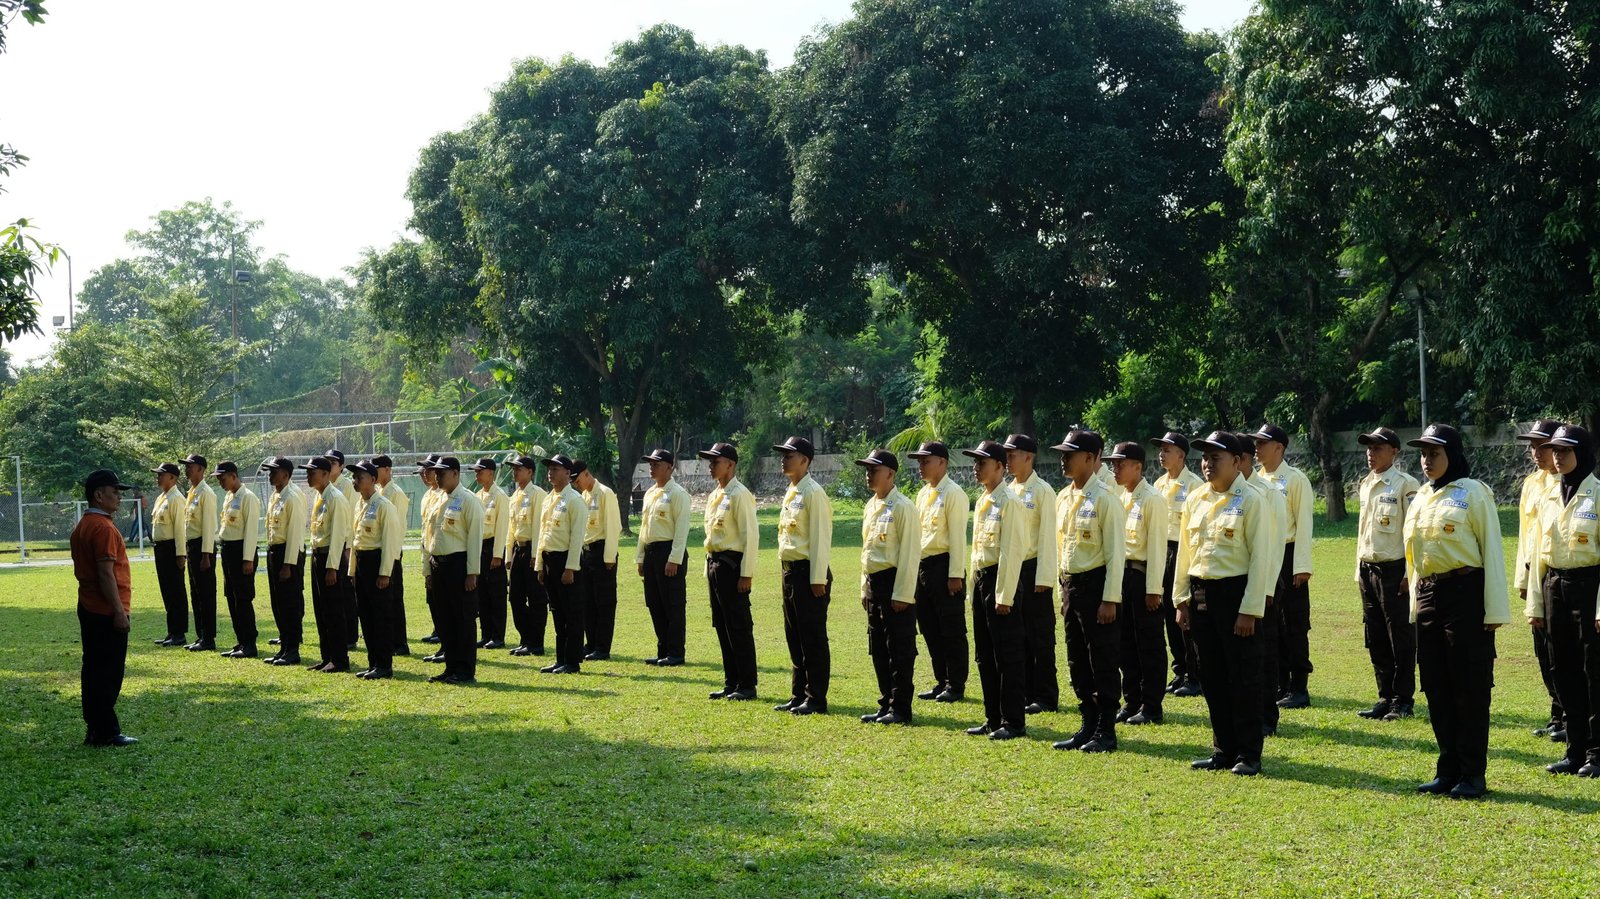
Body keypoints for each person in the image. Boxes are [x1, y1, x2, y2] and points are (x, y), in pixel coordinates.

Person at [1404, 424, 1508, 799]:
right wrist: (1416, 604)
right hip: (1429, 594)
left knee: (1468, 686)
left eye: (1435, 453)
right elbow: (1416, 557)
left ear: (1453, 455)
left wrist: (1493, 611)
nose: (1427, 460)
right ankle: (1447, 768)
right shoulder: (1420, 497)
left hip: (1466, 594)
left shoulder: (1474, 493)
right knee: (1435, 685)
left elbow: (1492, 552)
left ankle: (1472, 774)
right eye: (1423, 454)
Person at [1174, 431, 1276, 777]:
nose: (1207, 463)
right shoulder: (1196, 499)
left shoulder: (1252, 499)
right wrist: (1181, 599)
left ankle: (1248, 753)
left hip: (1237, 596)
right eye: (1204, 457)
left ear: (1237, 462)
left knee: (1243, 676)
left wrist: (1250, 609)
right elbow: (1185, 554)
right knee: (1212, 676)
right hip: (1202, 593)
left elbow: (1261, 558)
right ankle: (1223, 749)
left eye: (1216, 457)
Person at [1526, 424, 1600, 777]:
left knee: (1593, 671)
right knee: (1564, 669)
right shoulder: (1548, 497)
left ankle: (1597, 753)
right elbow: (1541, 554)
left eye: (1565, 450)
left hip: (1590, 587)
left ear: (1582, 453)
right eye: (1554, 450)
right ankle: (1575, 750)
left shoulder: (1597, 494)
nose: (1557, 456)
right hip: (1555, 584)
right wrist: (1536, 604)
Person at [1050, 430, 1127, 752]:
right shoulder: (1064, 497)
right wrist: (1061, 586)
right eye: (1063, 453)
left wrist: (1110, 599)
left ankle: (1106, 730)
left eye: (1072, 453)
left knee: (1102, 659)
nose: (1064, 459)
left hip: (1097, 587)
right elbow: (1061, 545)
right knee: (1077, 659)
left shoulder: (1106, 499)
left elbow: (1115, 554)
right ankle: (1087, 723)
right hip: (1072, 586)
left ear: (1093, 458)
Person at [962, 440, 1029, 740]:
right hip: (981, 581)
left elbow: (1012, 551)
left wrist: (1004, 595)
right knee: (985, 655)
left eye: (982, 463)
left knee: (1008, 656)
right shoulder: (983, 501)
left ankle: (1013, 721)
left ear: (1000, 467)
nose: (977, 468)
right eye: (976, 463)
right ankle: (993, 717)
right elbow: (978, 549)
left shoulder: (1009, 501)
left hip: (1001, 582)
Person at [1353, 427, 1420, 721]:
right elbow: (1363, 531)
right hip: (1369, 569)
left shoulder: (1405, 485)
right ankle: (1385, 696)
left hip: (1395, 571)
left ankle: (1402, 700)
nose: (1371, 453)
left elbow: (1412, 533)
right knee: (1376, 635)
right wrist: (1359, 569)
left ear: (1394, 451)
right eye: (1369, 448)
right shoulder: (1366, 484)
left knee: (1400, 638)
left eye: (1378, 448)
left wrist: (1410, 572)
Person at [1251, 424, 1315, 709]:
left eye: (1263, 443)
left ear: (1279, 447)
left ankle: (1299, 686)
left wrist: (1301, 566)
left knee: (1295, 623)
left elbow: (1304, 524)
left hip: (1290, 555)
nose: (1257, 448)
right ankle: (1280, 682)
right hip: (1268, 553)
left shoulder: (1295, 479)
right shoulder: (1257, 480)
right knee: (1271, 621)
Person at [72, 469, 137, 747]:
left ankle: (96, 726)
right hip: (105, 610)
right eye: (114, 492)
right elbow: (106, 574)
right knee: (108, 673)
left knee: (94, 669)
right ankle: (106, 730)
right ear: (98, 495)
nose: (119, 498)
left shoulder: (82, 526)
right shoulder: (103, 528)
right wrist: (119, 611)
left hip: (88, 606)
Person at [857, 448, 920, 725]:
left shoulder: (903, 507)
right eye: (867, 469)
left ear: (891, 474)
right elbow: (866, 551)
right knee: (879, 646)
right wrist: (864, 587)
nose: (869, 474)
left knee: (899, 648)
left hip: (895, 582)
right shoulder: (871, 505)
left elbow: (909, 554)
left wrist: (903, 594)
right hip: (875, 583)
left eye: (874, 469)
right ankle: (885, 702)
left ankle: (900, 707)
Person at [1107, 441, 1168, 726]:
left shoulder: (1152, 499)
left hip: (1143, 576)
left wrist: (1154, 589)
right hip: (1122, 576)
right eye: (1113, 463)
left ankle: (1151, 705)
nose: (1115, 468)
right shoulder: (1118, 497)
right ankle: (1131, 701)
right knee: (1124, 643)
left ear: (1138, 467)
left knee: (1149, 644)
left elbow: (1157, 547)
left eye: (1121, 464)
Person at [772, 435, 834, 716]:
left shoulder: (813, 493)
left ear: (805, 460)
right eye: (783, 455)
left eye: (789, 455)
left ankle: (816, 697)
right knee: (794, 636)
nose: (784, 459)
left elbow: (821, 538)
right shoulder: (793, 490)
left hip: (809, 573)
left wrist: (818, 578)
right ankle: (799, 694)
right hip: (790, 572)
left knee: (812, 638)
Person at [1514, 420, 1566, 739]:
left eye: (1542, 446)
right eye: (1532, 446)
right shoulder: (1532, 483)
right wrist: (1523, 578)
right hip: (1536, 576)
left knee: (1564, 648)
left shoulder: (1570, 484)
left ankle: (1570, 714)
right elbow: (1524, 534)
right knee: (1542, 647)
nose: (1536, 453)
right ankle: (1556, 712)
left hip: (1561, 575)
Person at [1001, 433, 1060, 716]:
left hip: (1035, 568)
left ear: (1028, 456)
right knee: (1018, 634)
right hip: (1014, 568)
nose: (1008, 460)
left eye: (1012, 455)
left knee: (1040, 636)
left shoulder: (1043, 491)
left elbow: (1049, 536)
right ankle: (1025, 691)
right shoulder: (1008, 490)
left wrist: (1044, 579)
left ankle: (1046, 694)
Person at [907, 441, 970, 704]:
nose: (921, 466)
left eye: (926, 460)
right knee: (930, 626)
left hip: (945, 566)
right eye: (919, 461)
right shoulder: (923, 494)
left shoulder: (953, 494)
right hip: (924, 566)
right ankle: (940, 679)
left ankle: (955, 683)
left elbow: (957, 538)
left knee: (951, 628)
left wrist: (955, 574)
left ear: (942, 463)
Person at [700, 442, 760, 700]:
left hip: (733, 566)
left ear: (731, 464)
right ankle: (731, 680)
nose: (711, 466)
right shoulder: (716, 495)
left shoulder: (739, 494)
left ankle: (747, 684)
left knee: (738, 626)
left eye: (716, 461)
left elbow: (751, 537)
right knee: (721, 625)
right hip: (715, 565)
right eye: (710, 462)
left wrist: (746, 574)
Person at [1238, 435, 1286, 738]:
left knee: (1263, 653)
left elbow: (1275, 545)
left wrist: (1266, 590)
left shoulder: (1268, 493)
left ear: (1240, 460)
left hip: (1262, 583)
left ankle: (1267, 715)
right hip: (1232, 583)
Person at [423, 456, 485, 685]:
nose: (437, 476)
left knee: (463, 620)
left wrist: (472, 573)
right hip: (439, 565)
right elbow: (430, 536)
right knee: (445, 619)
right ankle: (451, 667)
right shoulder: (439, 499)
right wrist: (428, 568)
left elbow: (475, 539)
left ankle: (465, 670)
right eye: (436, 473)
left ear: (456, 474)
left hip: (459, 566)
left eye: (442, 473)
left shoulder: (468, 500)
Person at [1150, 432, 1204, 697]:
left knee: (1185, 614)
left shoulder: (1194, 485)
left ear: (1181, 455)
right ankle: (1180, 670)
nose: (1161, 454)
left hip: (1183, 551)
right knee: (1167, 614)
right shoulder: (1158, 485)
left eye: (1167, 450)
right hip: (1161, 551)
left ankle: (1195, 675)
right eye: (1160, 449)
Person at [348, 460, 403, 680]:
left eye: (359, 477)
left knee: (381, 616)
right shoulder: (360, 504)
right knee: (366, 615)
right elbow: (356, 541)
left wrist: (384, 573)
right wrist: (352, 571)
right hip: (362, 562)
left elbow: (390, 541)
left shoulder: (384, 505)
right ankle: (373, 662)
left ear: (372, 479)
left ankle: (384, 664)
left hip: (376, 563)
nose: (355, 481)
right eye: (354, 477)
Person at [637, 448, 691, 667]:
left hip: (668, 552)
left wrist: (674, 559)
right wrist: (640, 557)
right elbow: (644, 528)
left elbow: (681, 529)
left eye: (656, 464)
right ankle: (663, 649)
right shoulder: (650, 493)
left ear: (670, 467)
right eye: (650, 464)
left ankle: (676, 652)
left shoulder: (678, 494)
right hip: (651, 552)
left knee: (673, 604)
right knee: (655, 603)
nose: (652, 467)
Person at [536, 453, 589, 674]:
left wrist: (570, 568)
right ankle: (561, 659)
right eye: (549, 468)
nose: (551, 472)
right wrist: (540, 564)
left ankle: (572, 661)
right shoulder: (549, 498)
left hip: (566, 561)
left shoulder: (575, 500)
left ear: (568, 473)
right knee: (557, 612)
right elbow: (543, 534)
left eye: (556, 469)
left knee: (572, 613)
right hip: (550, 560)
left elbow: (577, 538)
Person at [300, 455, 351, 673]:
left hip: (331, 558)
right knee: (321, 609)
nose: (308, 476)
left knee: (333, 610)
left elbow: (339, 536)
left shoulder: (335, 498)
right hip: (318, 556)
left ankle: (339, 659)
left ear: (324, 474)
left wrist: (332, 567)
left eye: (312, 472)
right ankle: (326, 656)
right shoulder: (320, 498)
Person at [260, 456, 307, 667]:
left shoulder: (292, 497)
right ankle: (284, 647)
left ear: (286, 474)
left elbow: (295, 533)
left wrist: (288, 564)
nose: (270, 475)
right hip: (274, 552)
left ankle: (292, 650)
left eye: (274, 471)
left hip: (288, 555)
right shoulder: (276, 496)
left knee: (290, 603)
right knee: (278, 603)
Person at [213, 460, 261, 659]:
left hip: (242, 552)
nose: (221, 483)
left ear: (233, 476)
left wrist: (247, 559)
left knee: (242, 599)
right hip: (228, 551)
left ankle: (250, 643)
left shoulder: (247, 498)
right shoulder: (228, 497)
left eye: (223, 478)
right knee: (231, 597)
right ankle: (241, 640)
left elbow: (251, 531)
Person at [575, 460, 622, 661]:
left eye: (577, 480)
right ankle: (591, 643)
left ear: (586, 474)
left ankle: (602, 647)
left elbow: (613, 526)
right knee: (588, 602)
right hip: (586, 552)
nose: (576, 485)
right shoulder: (584, 496)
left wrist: (610, 556)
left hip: (602, 551)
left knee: (604, 602)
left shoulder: (605, 493)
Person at [503, 455, 550, 657]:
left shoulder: (537, 494)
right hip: (518, 551)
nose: (515, 472)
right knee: (515, 597)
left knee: (537, 598)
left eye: (519, 469)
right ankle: (525, 638)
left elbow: (540, 526)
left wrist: (535, 555)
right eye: (514, 469)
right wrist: (508, 554)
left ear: (530, 472)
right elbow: (511, 528)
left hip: (532, 550)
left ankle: (536, 642)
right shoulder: (514, 496)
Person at [468, 457, 510, 651]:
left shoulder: (500, 496)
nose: (477, 475)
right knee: (482, 594)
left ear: (491, 474)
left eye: (480, 471)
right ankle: (486, 634)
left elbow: (502, 527)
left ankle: (498, 636)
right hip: (480, 547)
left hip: (493, 547)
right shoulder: (478, 496)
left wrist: (497, 555)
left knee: (496, 594)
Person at [180, 453, 219, 652]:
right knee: (195, 593)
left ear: (201, 470)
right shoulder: (192, 492)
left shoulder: (206, 493)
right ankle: (200, 635)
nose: (187, 470)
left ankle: (209, 637)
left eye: (191, 466)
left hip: (203, 548)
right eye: (186, 466)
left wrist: (206, 555)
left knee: (205, 594)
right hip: (192, 546)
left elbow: (208, 526)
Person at [148, 461, 189, 647]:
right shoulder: (161, 498)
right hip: (161, 548)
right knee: (167, 590)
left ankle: (179, 633)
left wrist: (181, 554)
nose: (158, 477)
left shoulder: (177, 499)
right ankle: (172, 631)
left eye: (161, 474)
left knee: (176, 591)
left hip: (172, 548)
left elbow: (181, 529)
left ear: (172, 478)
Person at [374, 455, 411, 656]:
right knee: (385, 601)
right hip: (381, 552)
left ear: (387, 469)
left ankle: (400, 642)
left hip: (392, 553)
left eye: (377, 468)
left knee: (395, 599)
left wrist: (393, 556)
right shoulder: (379, 492)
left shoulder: (395, 494)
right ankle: (390, 639)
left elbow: (398, 528)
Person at [325, 449, 361, 650]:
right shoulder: (326, 487)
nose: (329, 466)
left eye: (332, 462)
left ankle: (351, 636)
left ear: (340, 466)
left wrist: (348, 547)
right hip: (331, 544)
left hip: (344, 545)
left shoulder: (346, 486)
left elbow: (350, 518)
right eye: (327, 462)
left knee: (346, 592)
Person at [417, 454, 447, 661]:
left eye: (430, 469)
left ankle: (447, 644)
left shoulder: (444, 495)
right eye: (424, 470)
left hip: (442, 554)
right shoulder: (428, 495)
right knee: (433, 600)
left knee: (444, 604)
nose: (425, 473)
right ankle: (442, 639)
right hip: (428, 552)